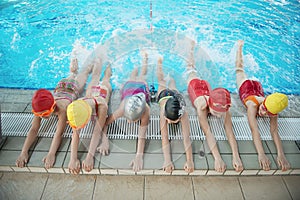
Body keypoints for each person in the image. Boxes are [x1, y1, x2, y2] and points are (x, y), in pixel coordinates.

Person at [15, 57, 94, 169]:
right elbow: (33, 129)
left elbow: (58, 133)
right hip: (61, 86)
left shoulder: (62, 110)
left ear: (52, 108)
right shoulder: (40, 106)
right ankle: (73, 71)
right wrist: (23, 152)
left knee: (85, 73)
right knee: (72, 74)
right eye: (39, 115)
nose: (41, 117)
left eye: (43, 115)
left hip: (73, 88)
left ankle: (89, 63)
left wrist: (51, 153)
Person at [186, 41, 243, 173]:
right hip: (194, 85)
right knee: (191, 68)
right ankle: (190, 49)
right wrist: (217, 158)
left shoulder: (223, 107)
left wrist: (236, 156)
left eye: (219, 113)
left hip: (207, 88)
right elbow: (207, 132)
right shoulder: (202, 107)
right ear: (210, 105)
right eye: (215, 113)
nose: (218, 116)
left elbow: (229, 132)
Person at [235, 40, 290, 171]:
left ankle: (240, 48)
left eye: (267, 113)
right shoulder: (252, 106)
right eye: (264, 109)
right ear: (264, 103)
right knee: (238, 68)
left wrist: (281, 155)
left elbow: (274, 131)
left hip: (258, 88)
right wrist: (261, 154)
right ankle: (239, 48)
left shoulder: (272, 108)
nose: (263, 113)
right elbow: (255, 131)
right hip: (247, 86)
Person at [98, 51, 150, 172]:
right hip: (129, 88)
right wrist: (104, 141)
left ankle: (144, 60)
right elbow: (104, 121)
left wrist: (139, 156)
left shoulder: (146, 110)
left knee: (141, 76)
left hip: (138, 87)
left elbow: (142, 136)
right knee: (138, 76)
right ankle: (144, 59)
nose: (131, 122)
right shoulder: (122, 109)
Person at [66, 57, 112, 175]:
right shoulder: (77, 107)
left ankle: (108, 63)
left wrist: (89, 157)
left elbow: (97, 131)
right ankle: (98, 60)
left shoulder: (102, 107)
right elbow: (75, 134)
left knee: (106, 78)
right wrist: (73, 159)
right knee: (95, 76)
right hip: (90, 93)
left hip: (103, 92)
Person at [156, 56, 194, 174]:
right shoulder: (163, 112)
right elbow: (165, 138)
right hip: (164, 96)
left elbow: (186, 138)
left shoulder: (183, 113)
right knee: (161, 82)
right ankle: (160, 64)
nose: (170, 123)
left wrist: (190, 160)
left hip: (176, 96)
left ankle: (171, 75)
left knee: (173, 85)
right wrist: (167, 160)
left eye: (173, 121)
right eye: (168, 120)